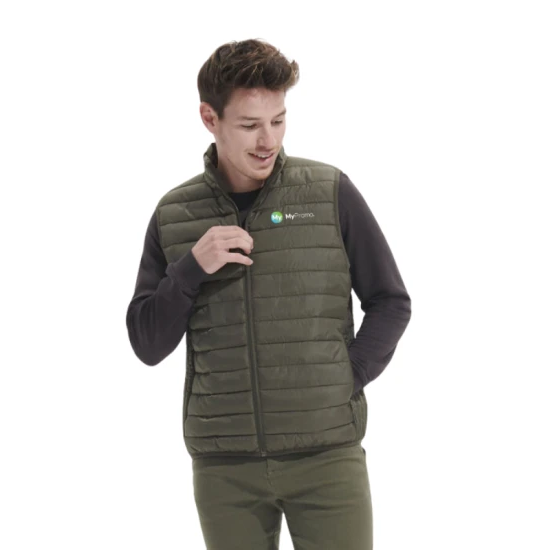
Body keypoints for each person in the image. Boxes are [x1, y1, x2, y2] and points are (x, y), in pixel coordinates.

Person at [126, 38, 411, 550]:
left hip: (327, 457)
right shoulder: (174, 215)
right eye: (250, 125)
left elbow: (391, 300)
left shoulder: (328, 191)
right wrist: (191, 268)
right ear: (209, 118)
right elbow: (147, 344)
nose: (268, 140)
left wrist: (344, 377)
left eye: (278, 121)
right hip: (224, 469)